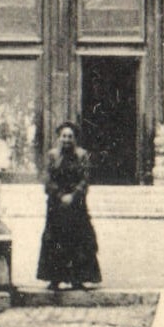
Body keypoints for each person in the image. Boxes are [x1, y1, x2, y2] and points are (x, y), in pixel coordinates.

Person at [36, 121, 101, 291]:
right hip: (56, 206)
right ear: (59, 138)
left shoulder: (82, 156)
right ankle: (54, 278)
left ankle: (77, 278)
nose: (67, 140)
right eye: (64, 136)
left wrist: (73, 196)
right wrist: (59, 195)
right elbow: (48, 179)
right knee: (55, 239)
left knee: (78, 240)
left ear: (75, 139)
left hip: (76, 206)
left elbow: (85, 179)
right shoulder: (52, 156)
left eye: (70, 137)